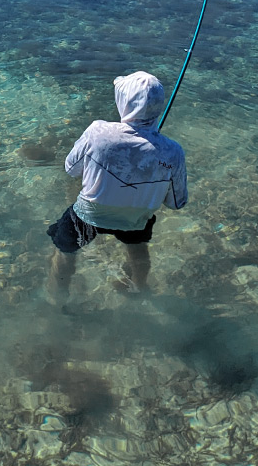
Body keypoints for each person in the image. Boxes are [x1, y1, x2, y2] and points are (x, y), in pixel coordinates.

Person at [47, 71, 187, 298]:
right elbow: (176, 202)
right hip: (135, 220)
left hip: (90, 214)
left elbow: (71, 169)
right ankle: (139, 289)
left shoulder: (97, 133)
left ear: (124, 102)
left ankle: (57, 299)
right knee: (138, 249)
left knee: (64, 251)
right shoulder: (173, 151)